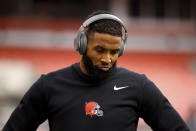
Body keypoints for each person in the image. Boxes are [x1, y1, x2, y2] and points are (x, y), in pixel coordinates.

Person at [2, 11, 189, 131]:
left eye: (114, 52)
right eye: (100, 50)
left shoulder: (139, 86)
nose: (107, 59)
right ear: (82, 45)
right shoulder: (49, 85)